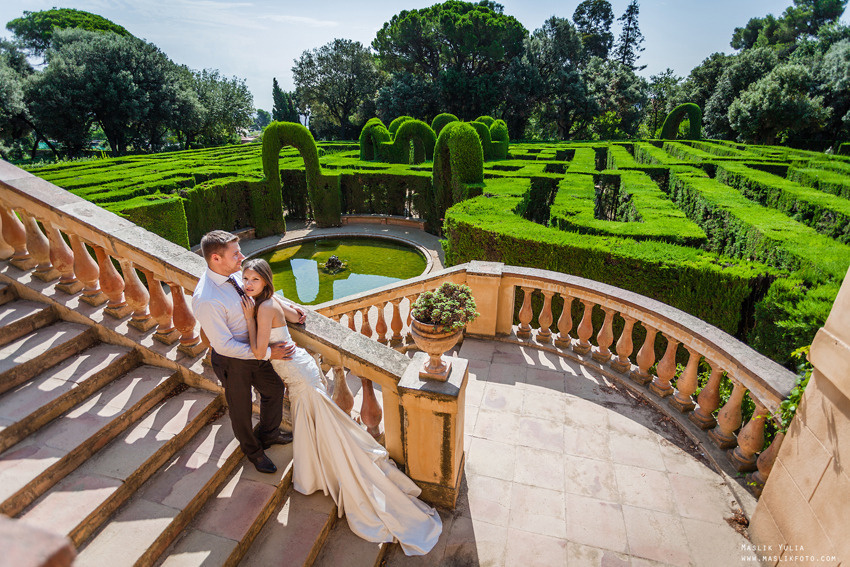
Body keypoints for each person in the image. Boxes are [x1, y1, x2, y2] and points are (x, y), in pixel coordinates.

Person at [238, 258, 442, 556]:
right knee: (318, 424)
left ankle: (322, 473)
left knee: (321, 424)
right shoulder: (271, 301)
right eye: (245, 279)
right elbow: (297, 316)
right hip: (300, 370)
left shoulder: (264, 307)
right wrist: (278, 303)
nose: (247, 285)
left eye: (254, 280)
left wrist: (248, 319)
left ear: (266, 282)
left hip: (298, 375)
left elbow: (257, 352)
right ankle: (319, 471)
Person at [192, 230, 307, 474]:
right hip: (233, 361)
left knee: (274, 390)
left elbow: (259, 290)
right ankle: (253, 452)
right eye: (235, 254)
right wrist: (267, 353)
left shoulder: (234, 274)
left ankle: (268, 435)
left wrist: (285, 306)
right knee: (240, 408)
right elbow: (222, 346)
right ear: (216, 259)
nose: (241, 257)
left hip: (256, 348)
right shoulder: (207, 299)